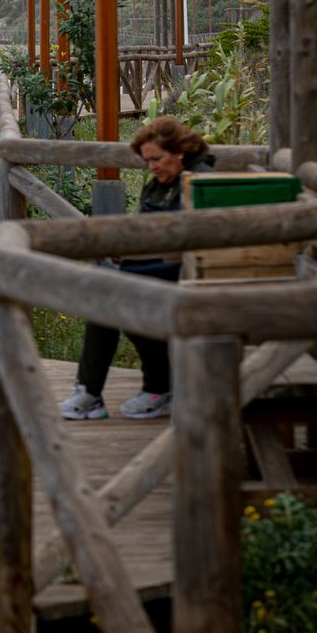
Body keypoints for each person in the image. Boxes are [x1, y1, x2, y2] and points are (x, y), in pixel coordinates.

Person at [58, 115, 215, 421]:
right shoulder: (159, 185)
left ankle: (108, 392)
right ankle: (107, 391)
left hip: (188, 278)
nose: (153, 167)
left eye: (157, 159)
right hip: (158, 271)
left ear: (179, 152)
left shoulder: (199, 182)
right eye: (148, 162)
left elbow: (193, 239)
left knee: (114, 296)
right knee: (109, 293)